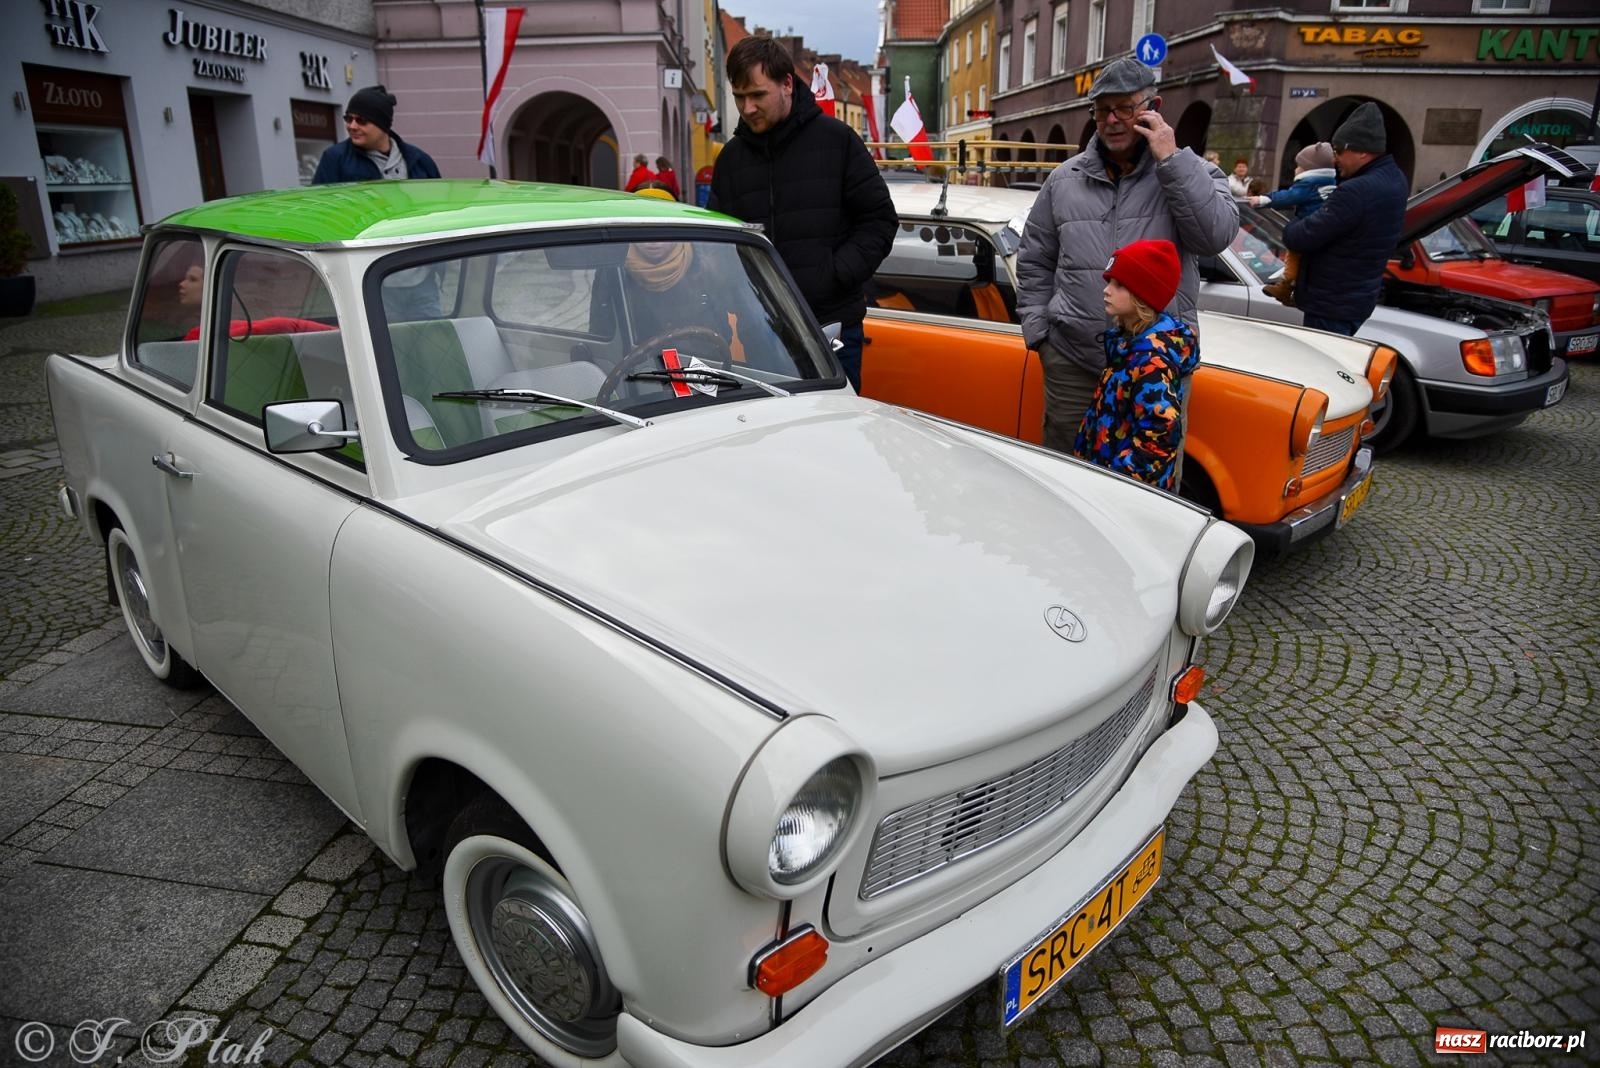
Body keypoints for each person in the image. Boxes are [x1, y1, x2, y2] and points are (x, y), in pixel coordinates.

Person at [1016, 56, 1237, 455]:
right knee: (1065, 476)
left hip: (1155, 367)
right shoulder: (1064, 179)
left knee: (1147, 488)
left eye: (1125, 108)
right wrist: (1040, 333)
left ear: (1154, 108)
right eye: (1103, 110)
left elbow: (1215, 236)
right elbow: (1034, 258)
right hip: (1073, 363)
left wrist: (1171, 161)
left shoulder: (1192, 171)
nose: (1113, 120)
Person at [708, 35, 897, 391]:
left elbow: (880, 221)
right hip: (760, 333)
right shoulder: (731, 160)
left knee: (833, 436)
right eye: (739, 97)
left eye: (757, 95)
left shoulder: (837, 141)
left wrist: (833, 275)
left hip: (832, 329)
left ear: (787, 85)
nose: (747, 108)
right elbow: (717, 247)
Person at [1073, 239, 1198, 491]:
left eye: (1119, 285)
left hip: (1121, 491)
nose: (1106, 290)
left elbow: (1160, 434)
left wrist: (1118, 479)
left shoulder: (1152, 361)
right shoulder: (1126, 345)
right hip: (1103, 476)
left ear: (1143, 295)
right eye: (1109, 281)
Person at [1282, 102, 1408, 336]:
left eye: (1338, 150)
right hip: (1355, 299)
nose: (1335, 158)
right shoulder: (1395, 179)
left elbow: (1301, 237)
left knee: (1319, 368)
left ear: (1362, 151)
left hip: (1332, 304)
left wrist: (1292, 225)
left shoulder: (1357, 190)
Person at [311, 85, 440, 184]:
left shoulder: (420, 160)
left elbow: (437, 206)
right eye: (349, 119)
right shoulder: (335, 158)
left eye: (361, 121)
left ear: (382, 125)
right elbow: (319, 207)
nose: (352, 126)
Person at [1251, 142, 1336, 219]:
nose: (1295, 169)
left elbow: (1289, 196)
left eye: (1299, 166)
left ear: (1308, 170)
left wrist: (1265, 199)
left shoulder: (1308, 184)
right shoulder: (1329, 182)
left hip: (1308, 222)